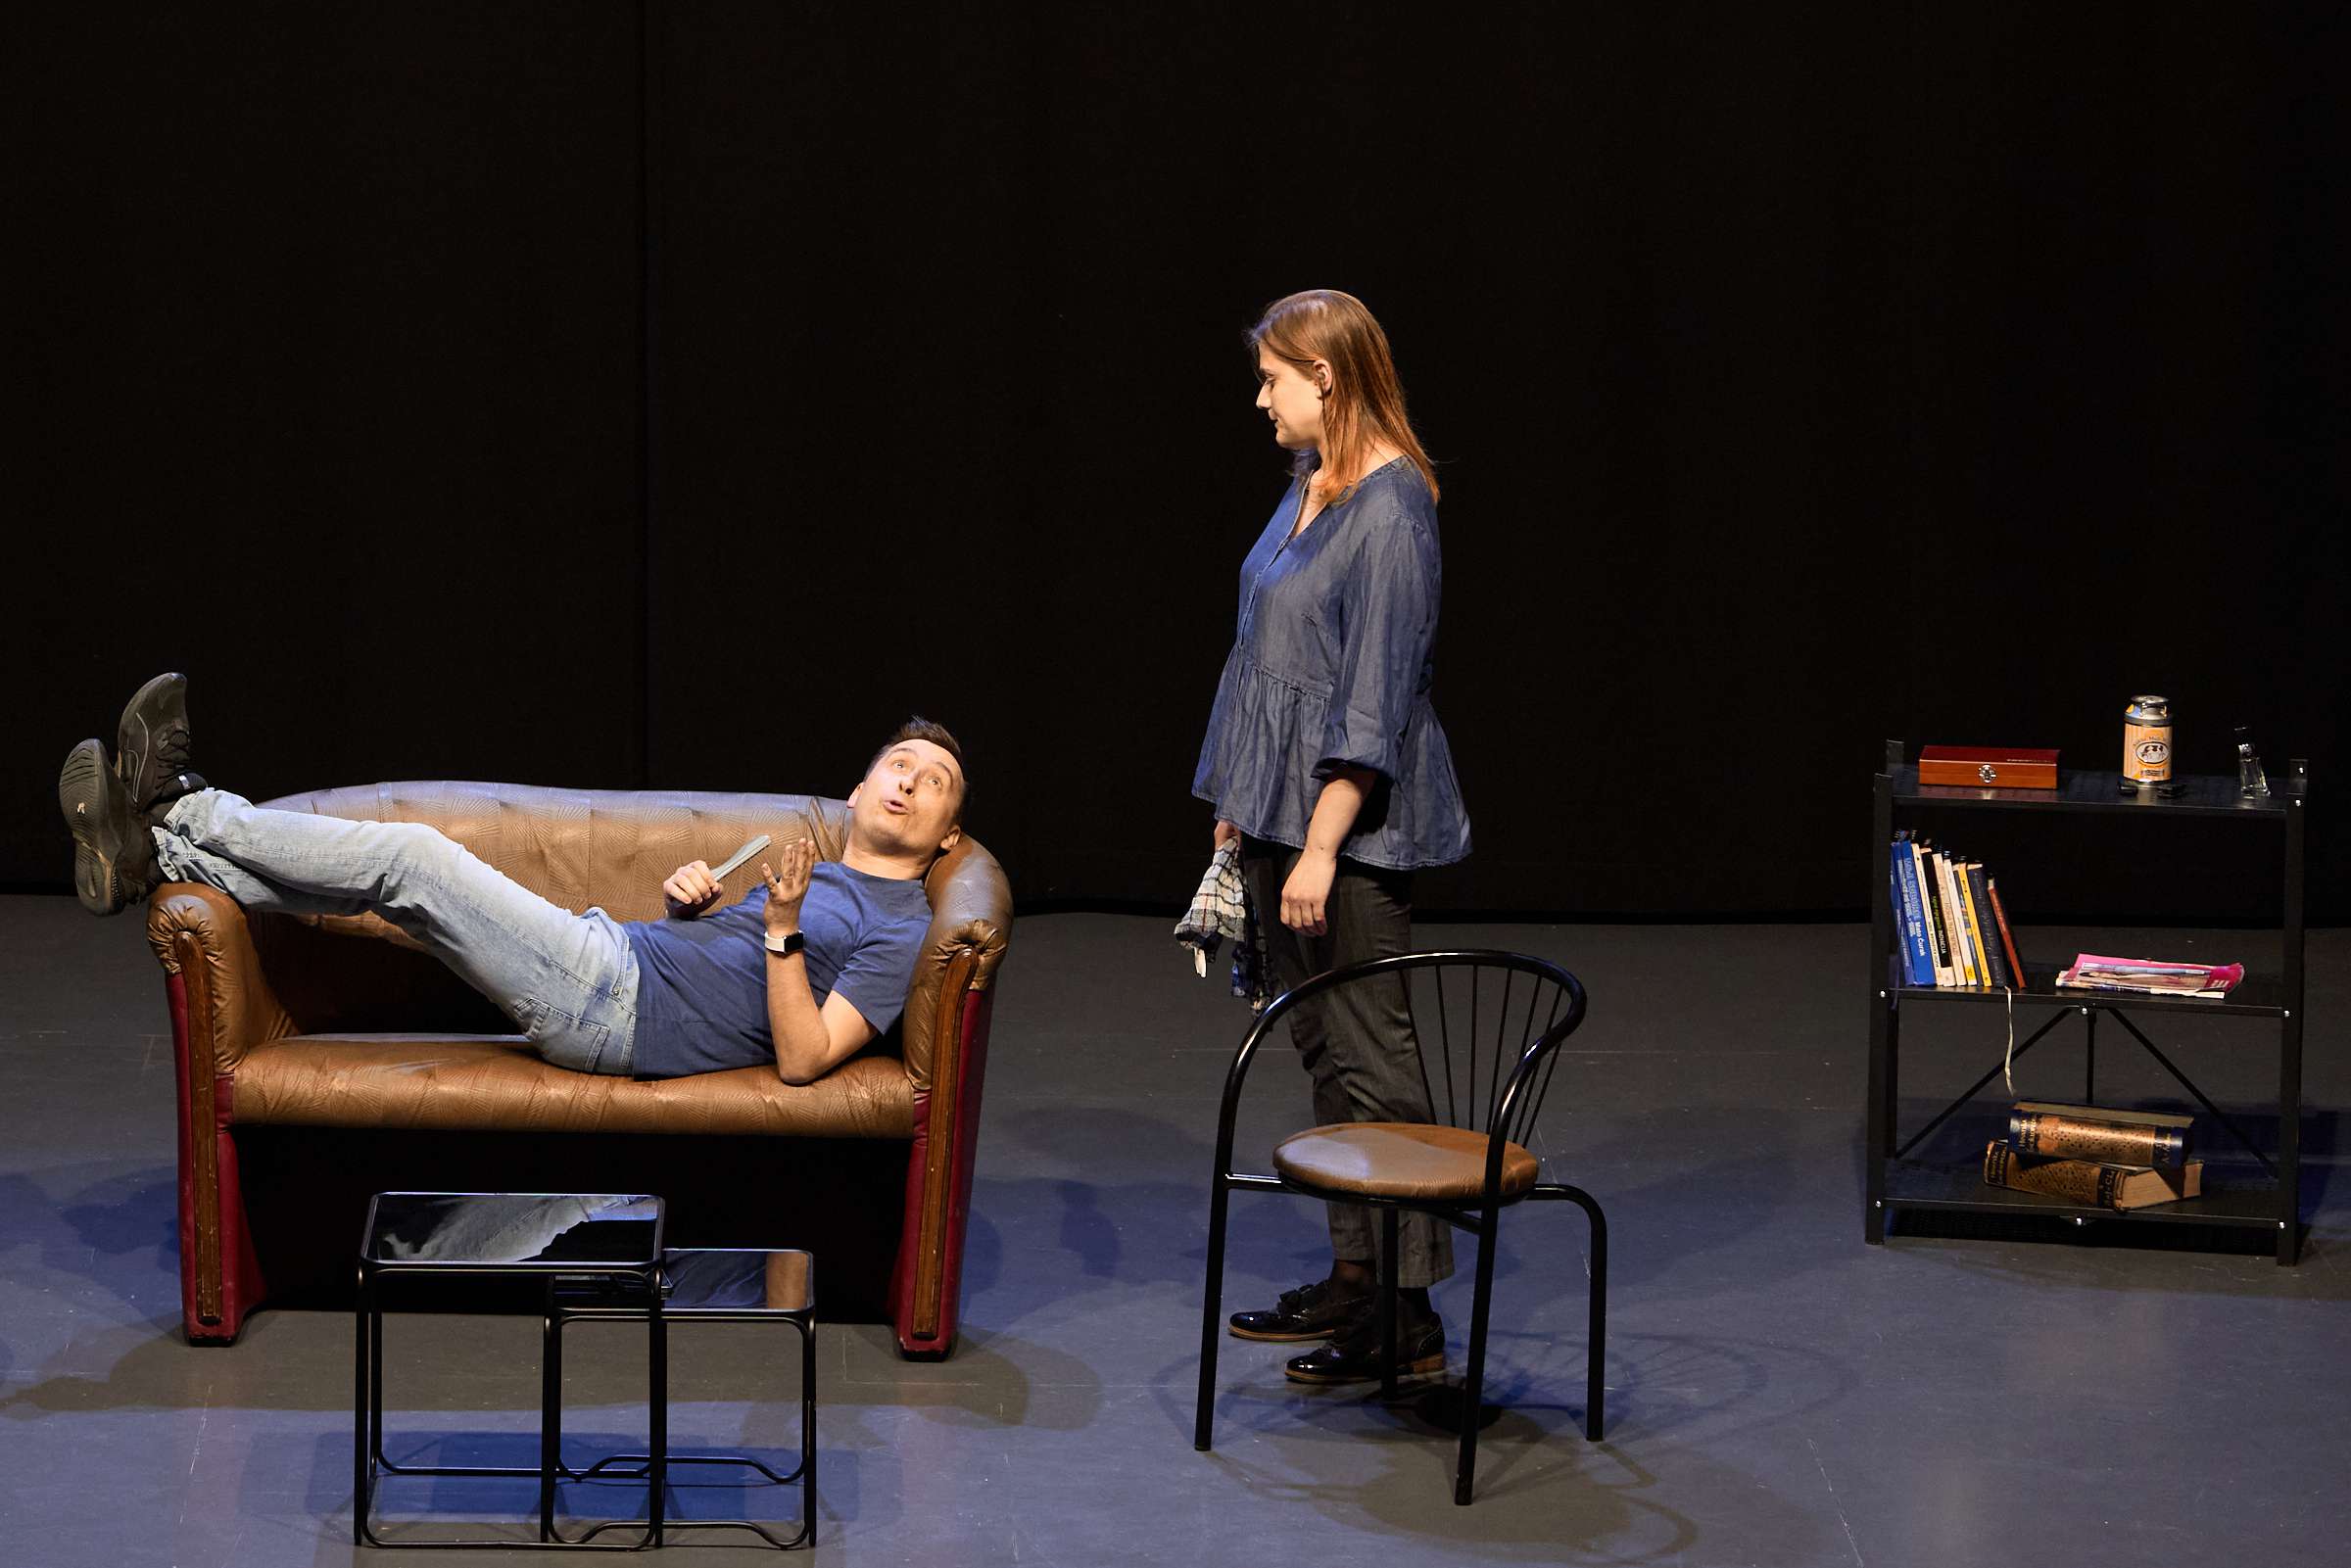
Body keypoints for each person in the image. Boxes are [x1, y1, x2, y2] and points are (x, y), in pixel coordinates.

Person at [59, 674, 967, 1084]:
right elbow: (734, 983)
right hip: (617, 958)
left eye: (934, 782)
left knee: (412, 860)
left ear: (948, 833)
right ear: (856, 790)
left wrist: (781, 925)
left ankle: (180, 804)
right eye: (899, 765)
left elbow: (805, 1059)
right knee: (392, 890)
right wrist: (688, 910)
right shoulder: (816, 872)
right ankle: (151, 860)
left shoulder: (901, 928)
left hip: (616, 1008)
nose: (909, 782)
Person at [1192, 289, 1472, 1386]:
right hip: (1276, 813)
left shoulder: (1393, 511)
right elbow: (1266, 650)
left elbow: (1372, 699)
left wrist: (1316, 845)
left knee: (1374, 1059)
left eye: (1273, 378)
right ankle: (1357, 1276)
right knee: (1321, 1046)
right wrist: (1241, 793)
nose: (1261, 399)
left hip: (1346, 834)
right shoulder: (1310, 482)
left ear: (1327, 377)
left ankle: (1409, 1313)